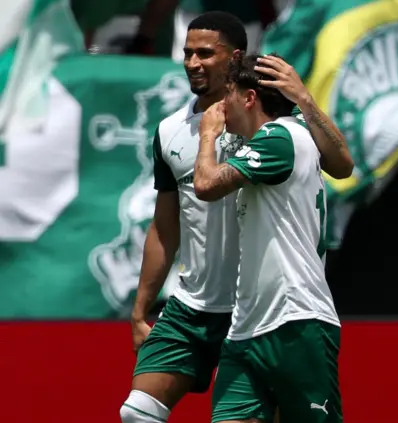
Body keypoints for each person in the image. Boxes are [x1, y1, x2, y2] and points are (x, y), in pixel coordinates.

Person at [120, 11, 352, 423]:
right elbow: (165, 226)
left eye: (206, 53)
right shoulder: (171, 131)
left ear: (236, 58)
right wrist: (140, 310)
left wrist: (305, 99)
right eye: (187, 53)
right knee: (137, 413)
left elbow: (342, 165)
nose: (193, 63)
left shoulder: (279, 129)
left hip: (273, 305)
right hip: (197, 304)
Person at [194, 53, 343, 423]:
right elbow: (342, 163)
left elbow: (206, 185)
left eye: (227, 93)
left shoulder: (280, 137)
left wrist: (208, 135)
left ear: (249, 98)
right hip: (248, 326)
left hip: (295, 318)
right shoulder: (293, 134)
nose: (220, 104)